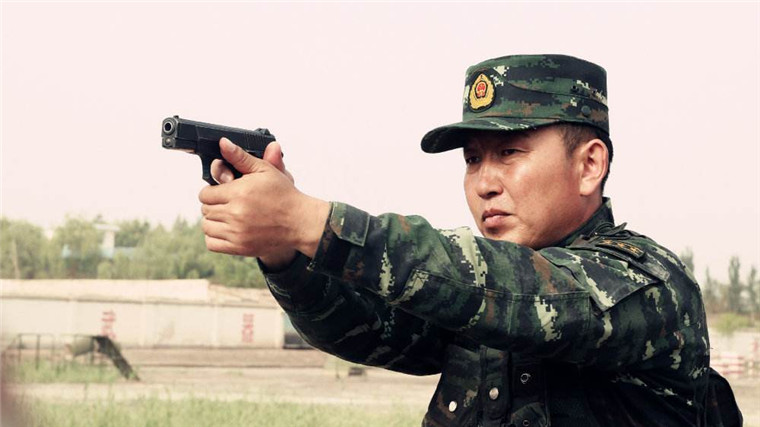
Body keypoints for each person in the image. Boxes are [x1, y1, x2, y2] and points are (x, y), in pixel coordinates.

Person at [198, 54, 741, 426]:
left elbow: (520, 291)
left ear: (589, 165)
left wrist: (311, 221)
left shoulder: (645, 281)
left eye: (509, 153)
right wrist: (283, 252)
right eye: (473, 159)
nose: (484, 182)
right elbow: (369, 328)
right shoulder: (476, 301)